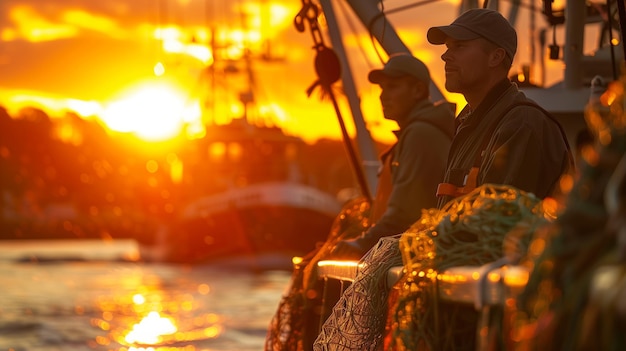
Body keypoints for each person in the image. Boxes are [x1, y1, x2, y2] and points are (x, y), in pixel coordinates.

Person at [427, 8, 574, 208]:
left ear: (495, 58)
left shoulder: (521, 125)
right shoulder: (470, 123)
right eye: (447, 47)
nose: (445, 56)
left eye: (459, 46)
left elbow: (500, 227)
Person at [330, 53, 455, 259]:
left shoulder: (420, 135)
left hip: (414, 258)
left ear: (417, 90)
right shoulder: (416, 132)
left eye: (393, 87)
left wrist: (362, 243)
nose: (382, 96)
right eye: (382, 88)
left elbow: (404, 215)